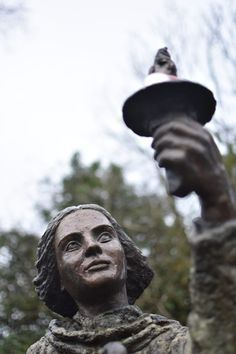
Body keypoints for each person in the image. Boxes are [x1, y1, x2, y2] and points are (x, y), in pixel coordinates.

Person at [26, 119, 236, 353]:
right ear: (58, 277)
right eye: (72, 245)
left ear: (126, 257)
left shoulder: (177, 344)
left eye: (105, 237)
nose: (92, 247)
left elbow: (219, 336)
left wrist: (218, 204)